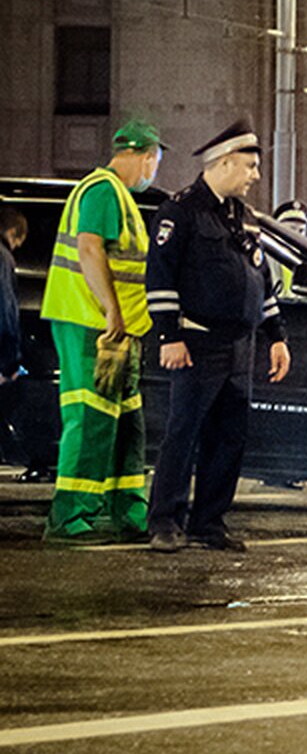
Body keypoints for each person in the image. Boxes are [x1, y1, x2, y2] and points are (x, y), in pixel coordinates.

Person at [145, 119, 290, 553]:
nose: (255, 175)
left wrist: (276, 336)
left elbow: (260, 282)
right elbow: (160, 277)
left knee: (229, 436)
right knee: (184, 432)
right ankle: (165, 521)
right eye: (249, 166)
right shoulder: (181, 211)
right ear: (225, 162)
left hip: (240, 345)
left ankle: (210, 522)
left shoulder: (243, 217)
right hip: (197, 342)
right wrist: (169, 335)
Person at [40, 120, 166, 544]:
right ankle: (69, 514)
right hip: (91, 323)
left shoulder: (118, 197)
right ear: (146, 156)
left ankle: (126, 508)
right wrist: (112, 310)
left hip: (117, 329)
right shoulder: (103, 191)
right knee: (90, 416)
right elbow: (89, 247)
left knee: (125, 420)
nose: (154, 170)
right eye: (155, 161)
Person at [0, 207, 28, 384]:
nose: (16, 248)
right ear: (11, 232)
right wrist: (9, 364)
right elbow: (6, 310)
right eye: (18, 242)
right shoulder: (3, 257)